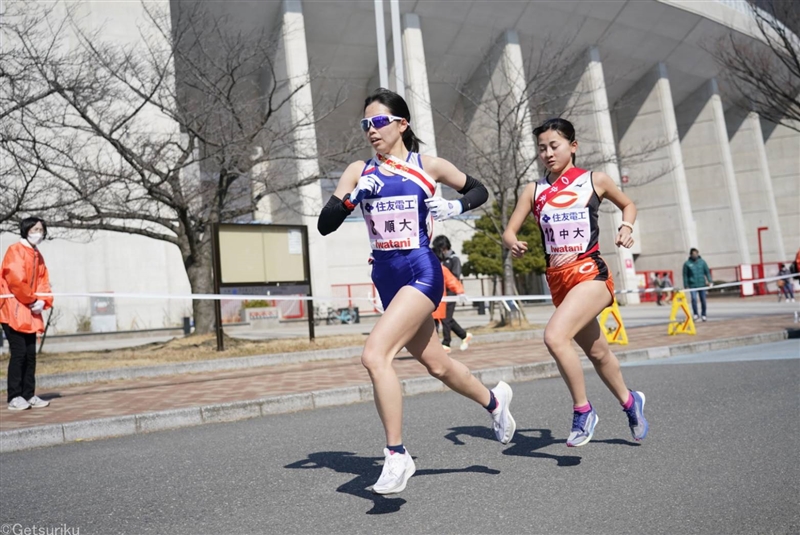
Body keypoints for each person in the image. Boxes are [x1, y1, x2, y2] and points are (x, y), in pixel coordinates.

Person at [317, 88, 515, 494]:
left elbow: (478, 189)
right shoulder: (359, 170)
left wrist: (456, 208)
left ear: (401, 124)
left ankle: (396, 455)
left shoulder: (428, 165)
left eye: (378, 123)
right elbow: (325, 223)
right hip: (386, 276)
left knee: (375, 355)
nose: (371, 131)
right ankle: (495, 402)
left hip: (421, 270)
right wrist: (354, 198)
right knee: (437, 364)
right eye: (365, 125)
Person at [502, 118, 648, 448]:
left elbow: (628, 204)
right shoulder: (534, 190)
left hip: (590, 273)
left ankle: (583, 411)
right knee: (598, 353)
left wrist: (626, 227)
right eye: (542, 148)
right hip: (559, 280)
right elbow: (510, 230)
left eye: (554, 146)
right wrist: (513, 241)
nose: (548, 153)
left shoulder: (594, 180)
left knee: (554, 336)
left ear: (573, 146)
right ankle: (630, 403)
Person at [0, 217, 53, 411]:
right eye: (34, 229)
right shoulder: (15, 251)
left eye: (41, 229)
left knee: (31, 354)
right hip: (13, 310)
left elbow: (43, 280)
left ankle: (28, 394)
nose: (38, 233)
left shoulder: (37, 255)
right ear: (26, 230)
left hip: (30, 311)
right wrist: (32, 300)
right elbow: (15, 280)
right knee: (19, 353)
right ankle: (15, 396)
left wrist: (43, 300)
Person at [432, 235, 473, 351]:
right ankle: (464, 335)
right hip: (440, 296)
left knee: (445, 319)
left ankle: (446, 343)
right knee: (443, 319)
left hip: (450, 294)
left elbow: (453, 278)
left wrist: (459, 292)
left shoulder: (453, 259)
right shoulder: (440, 261)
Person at [432, 264, 469, 348]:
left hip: (438, 302)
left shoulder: (440, 268)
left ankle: (444, 344)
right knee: (436, 324)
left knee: (442, 322)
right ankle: (463, 336)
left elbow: (451, 280)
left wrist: (460, 292)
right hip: (426, 302)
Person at [682, 248, 711, 321]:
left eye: (696, 254)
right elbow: (685, 275)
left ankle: (703, 314)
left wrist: (710, 281)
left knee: (703, 300)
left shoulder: (702, 262)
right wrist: (686, 284)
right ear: (691, 255)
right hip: (693, 285)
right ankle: (695, 314)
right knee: (694, 299)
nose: (695, 255)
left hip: (702, 284)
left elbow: (707, 272)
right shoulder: (687, 264)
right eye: (693, 254)